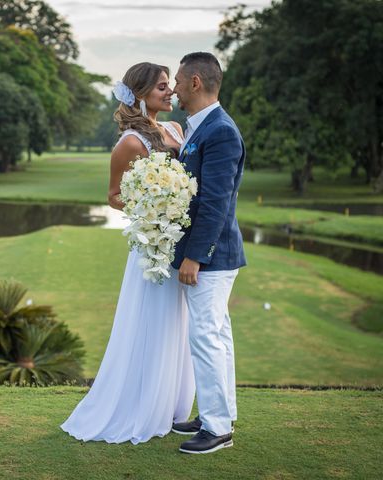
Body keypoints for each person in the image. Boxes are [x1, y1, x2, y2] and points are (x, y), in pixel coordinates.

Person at [60, 62, 196, 445]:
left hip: (178, 242)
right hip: (153, 245)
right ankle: (140, 406)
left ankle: (171, 404)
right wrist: (153, 210)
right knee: (149, 322)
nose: (170, 92)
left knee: (176, 323)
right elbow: (113, 196)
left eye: (171, 86)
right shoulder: (131, 142)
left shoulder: (175, 129)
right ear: (141, 94)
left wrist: (177, 205)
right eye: (162, 87)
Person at [169, 52, 246, 454]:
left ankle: (217, 429)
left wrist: (195, 256)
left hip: (213, 258)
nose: (175, 89)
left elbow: (216, 202)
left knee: (206, 337)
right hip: (212, 257)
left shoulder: (220, 131)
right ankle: (219, 413)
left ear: (195, 82)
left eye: (178, 81)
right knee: (218, 335)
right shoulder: (200, 128)